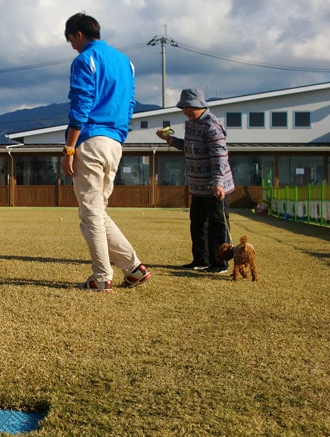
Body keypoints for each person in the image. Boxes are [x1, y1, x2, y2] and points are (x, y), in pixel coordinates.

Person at [61, 13, 151, 293]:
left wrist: (69, 147)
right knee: (96, 213)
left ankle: (102, 276)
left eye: (71, 41)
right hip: (115, 142)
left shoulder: (84, 60)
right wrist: (119, 135)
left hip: (90, 140)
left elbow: (81, 104)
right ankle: (134, 269)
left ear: (78, 34)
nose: (72, 47)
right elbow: (130, 104)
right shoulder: (126, 62)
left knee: (90, 215)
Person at [156, 88, 235, 274]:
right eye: (183, 108)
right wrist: (169, 139)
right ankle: (200, 260)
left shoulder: (212, 126)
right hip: (198, 186)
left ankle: (220, 263)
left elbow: (220, 157)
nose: (185, 111)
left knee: (217, 225)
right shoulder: (190, 124)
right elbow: (188, 147)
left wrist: (218, 182)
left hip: (216, 186)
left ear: (199, 106)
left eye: (188, 108)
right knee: (198, 224)